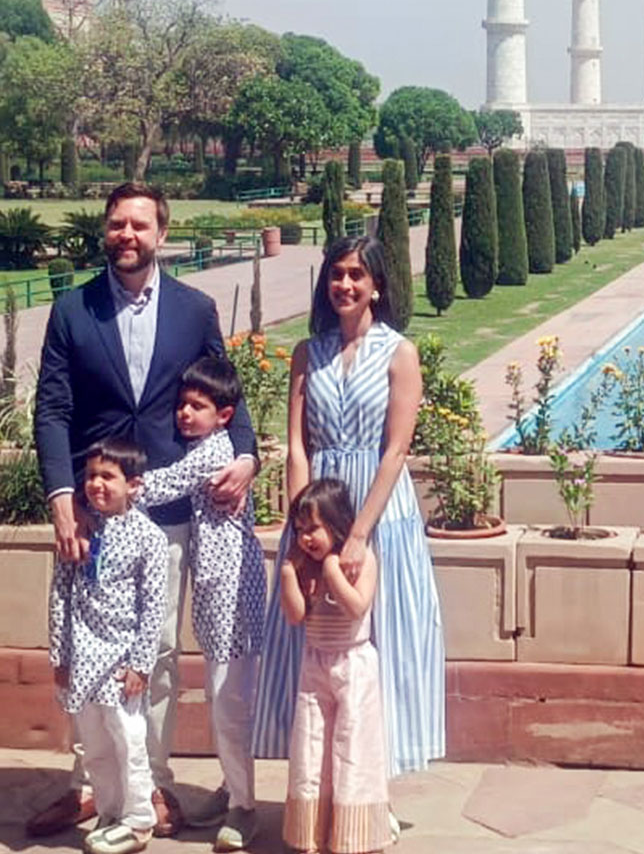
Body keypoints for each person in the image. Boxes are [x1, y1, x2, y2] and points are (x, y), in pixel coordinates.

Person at [32, 182, 258, 839]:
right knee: (81, 648)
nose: (126, 235)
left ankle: (150, 783)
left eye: (139, 225)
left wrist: (245, 456)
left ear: (162, 234)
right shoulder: (74, 311)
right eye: (116, 224)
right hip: (93, 513)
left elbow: (228, 394)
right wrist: (62, 499)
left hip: (166, 515)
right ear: (105, 232)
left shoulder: (193, 310)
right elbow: (52, 410)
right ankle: (89, 786)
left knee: (152, 655)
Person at [253, 235, 445, 836]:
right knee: (312, 649)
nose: (346, 285)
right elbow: (296, 446)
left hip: (376, 512)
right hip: (317, 510)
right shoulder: (307, 353)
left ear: (378, 286)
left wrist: (357, 534)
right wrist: (302, 525)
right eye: (337, 274)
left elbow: (395, 449)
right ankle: (320, 797)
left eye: (357, 275)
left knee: (376, 647)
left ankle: (372, 796)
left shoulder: (399, 352)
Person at [135, 356, 266, 852]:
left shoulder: (214, 454)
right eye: (182, 405)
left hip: (231, 598)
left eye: (198, 406)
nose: (185, 414)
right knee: (221, 697)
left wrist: (116, 488)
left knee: (228, 700)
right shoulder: (211, 446)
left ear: (225, 414)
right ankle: (234, 787)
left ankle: (245, 808)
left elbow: (166, 484)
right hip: (216, 596)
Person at [48, 438, 168, 854]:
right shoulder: (79, 530)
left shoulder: (148, 538)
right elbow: (60, 594)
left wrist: (140, 663)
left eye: (108, 477)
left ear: (133, 485)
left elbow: (154, 606)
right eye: (91, 476)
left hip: (121, 661)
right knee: (95, 744)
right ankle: (110, 812)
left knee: (128, 739)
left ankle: (138, 820)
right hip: (83, 657)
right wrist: (60, 655)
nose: (97, 485)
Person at [281, 479, 389, 853]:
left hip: (354, 665)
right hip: (315, 664)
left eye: (313, 528)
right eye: (299, 531)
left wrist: (331, 571)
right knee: (311, 746)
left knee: (352, 747)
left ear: (337, 523)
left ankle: (353, 836)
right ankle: (309, 832)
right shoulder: (303, 567)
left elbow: (357, 607)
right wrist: (288, 577)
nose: (305, 538)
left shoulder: (360, 561)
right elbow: (295, 617)